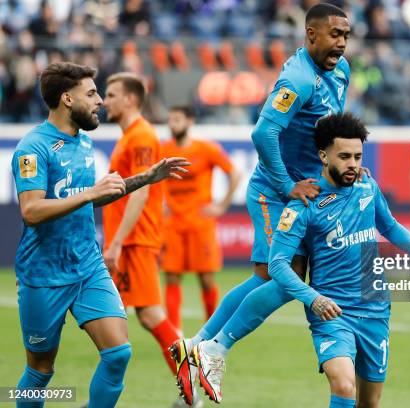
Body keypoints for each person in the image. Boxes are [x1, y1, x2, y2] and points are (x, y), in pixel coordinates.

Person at [171, 3, 352, 405]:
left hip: (307, 190)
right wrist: (287, 184)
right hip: (276, 192)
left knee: (263, 278)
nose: (341, 42)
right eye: (334, 34)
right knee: (286, 277)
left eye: (345, 35)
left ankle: (197, 344)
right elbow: (262, 134)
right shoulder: (298, 79)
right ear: (311, 35)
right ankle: (216, 349)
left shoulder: (341, 71)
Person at [11, 62, 188, 408]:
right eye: (91, 94)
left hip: (88, 266)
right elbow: (31, 211)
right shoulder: (32, 148)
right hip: (44, 274)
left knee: (118, 354)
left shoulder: (86, 143)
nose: (99, 102)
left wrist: (144, 179)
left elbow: (97, 193)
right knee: (40, 371)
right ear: (66, 98)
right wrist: (90, 194)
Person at [269, 112, 410, 408]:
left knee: (369, 403)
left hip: (375, 310)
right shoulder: (303, 205)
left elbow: (390, 226)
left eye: (358, 156)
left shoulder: (367, 187)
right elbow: (277, 264)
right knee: (344, 386)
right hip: (333, 312)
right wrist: (313, 299)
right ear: (323, 155)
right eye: (344, 156)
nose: (354, 164)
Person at [101, 72, 185, 382]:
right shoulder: (129, 136)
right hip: (130, 239)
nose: (103, 101)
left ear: (130, 99)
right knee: (114, 319)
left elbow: (142, 189)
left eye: (110, 94)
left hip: (136, 240)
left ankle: (194, 385)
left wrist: (118, 242)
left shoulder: (141, 136)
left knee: (147, 315)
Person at [161, 105, 241, 332]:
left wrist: (223, 204)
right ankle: (175, 331)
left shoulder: (206, 149)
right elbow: (148, 180)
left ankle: (211, 327)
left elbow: (234, 173)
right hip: (173, 224)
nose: (172, 124)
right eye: (171, 120)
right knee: (171, 277)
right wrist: (159, 205)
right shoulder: (162, 150)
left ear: (189, 122)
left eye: (177, 119)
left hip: (200, 223)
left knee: (206, 278)